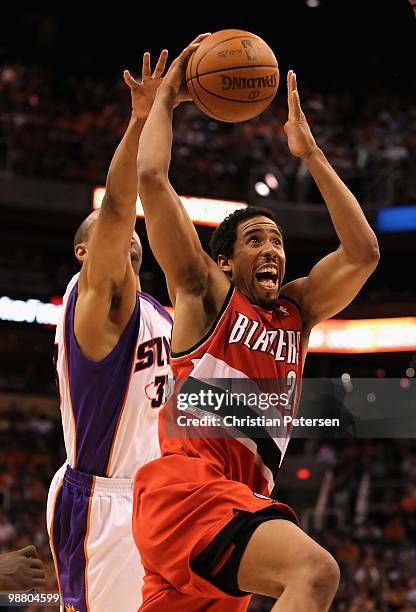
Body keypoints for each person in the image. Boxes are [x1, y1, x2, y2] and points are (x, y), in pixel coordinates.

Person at [133, 36, 380, 612]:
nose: (270, 249)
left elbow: (363, 252)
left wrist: (311, 154)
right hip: (188, 493)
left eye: (277, 239)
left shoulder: (299, 312)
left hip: (233, 502)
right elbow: (151, 179)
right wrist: (166, 100)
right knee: (315, 573)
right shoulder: (204, 294)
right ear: (224, 260)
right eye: (254, 240)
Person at [46, 51, 172, 612]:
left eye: (132, 233)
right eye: (110, 235)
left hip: (159, 498)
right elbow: (121, 202)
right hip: (104, 503)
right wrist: (141, 120)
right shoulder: (94, 301)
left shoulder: (163, 316)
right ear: (83, 252)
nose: (129, 235)